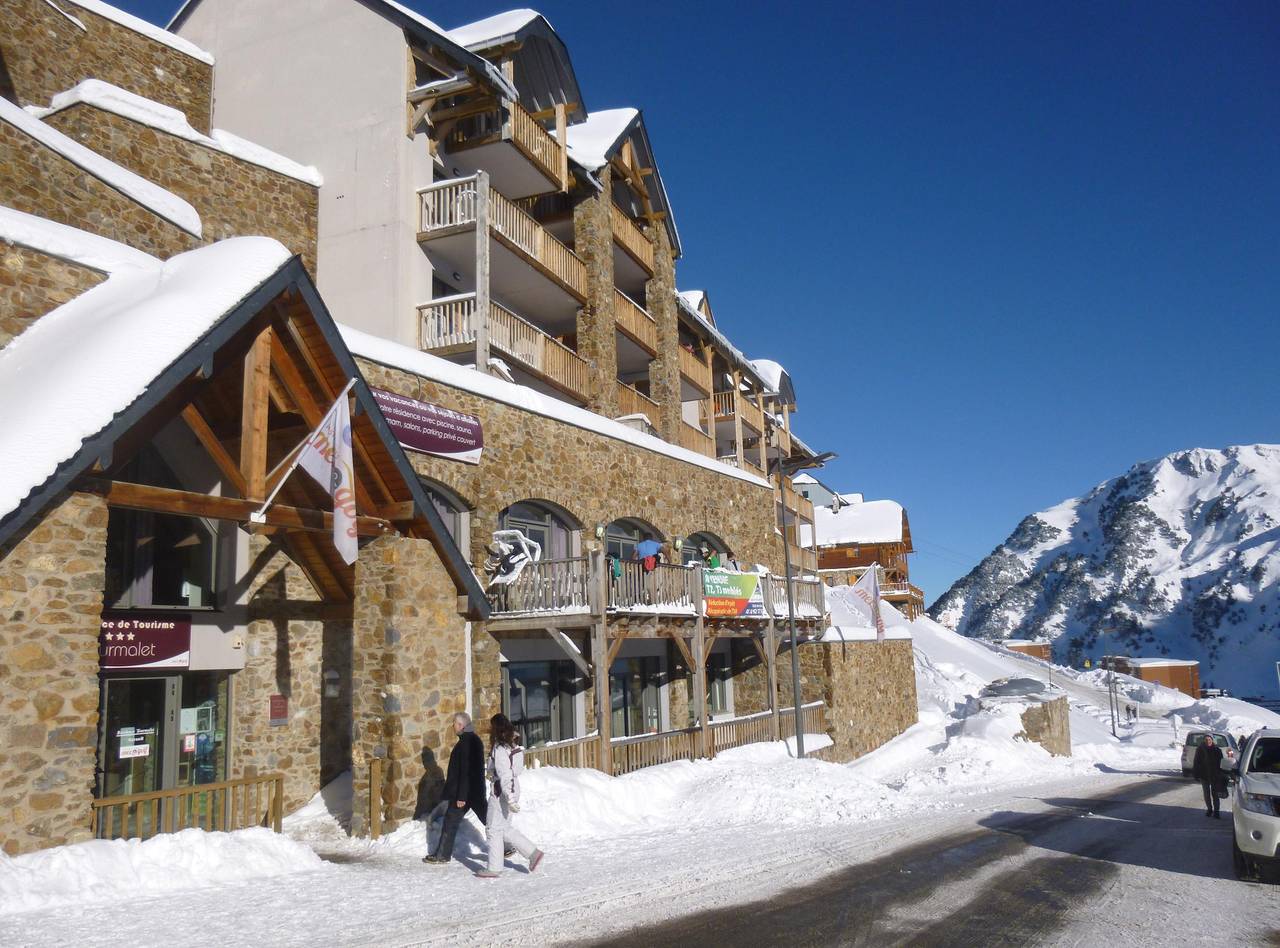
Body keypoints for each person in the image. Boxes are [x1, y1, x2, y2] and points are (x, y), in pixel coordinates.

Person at [476, 713, 544, 879]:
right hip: (511, 788)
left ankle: (494, 867)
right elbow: (514, 771)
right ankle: (533, 853)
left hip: (502, 791)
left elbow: (505, 774)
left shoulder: (500, 748)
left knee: (493, 828)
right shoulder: (514, 745)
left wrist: (509, 796)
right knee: (503, 828)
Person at [424, 712, 487, 864]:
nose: (452, 726)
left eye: (454, 723)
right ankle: (506, 846)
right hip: (475, 792)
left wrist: (461, 797)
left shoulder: (466, 742)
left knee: (450, 821)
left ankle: (442, 856)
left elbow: (466, 770)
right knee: (489, 820)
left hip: (464, 793)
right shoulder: (475, 739)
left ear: (461, 725)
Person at [1192, 734, 1224, 819]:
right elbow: (1196, 762)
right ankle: (1209, 809)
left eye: (1209, 739)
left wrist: (1222, 774)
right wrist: (1196, 773)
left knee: (1215, 794)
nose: (1208, 741)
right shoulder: (1200, 749)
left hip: (1215, 775)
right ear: (1204, 741)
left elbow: (1221, 763)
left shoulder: (1217, 750)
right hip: (1204, 775)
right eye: (1206, 740)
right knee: (1206, 793)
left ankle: (1216, 811)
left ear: (1212, 740)